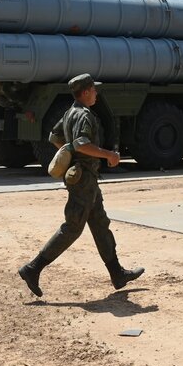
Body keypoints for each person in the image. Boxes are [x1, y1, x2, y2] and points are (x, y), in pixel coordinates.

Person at [18, 73, 144, 297]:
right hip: (83, 179)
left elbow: (54, 136)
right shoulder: (83, 115)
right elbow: (81, 143)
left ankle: (117, 274)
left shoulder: (69, 113)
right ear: (85, 92)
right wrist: (108, 155)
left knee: (100, 223)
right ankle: (32, 268)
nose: (96, 93)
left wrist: (69, 153)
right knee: (73, 228)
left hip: (85, 178)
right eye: (94, 90)